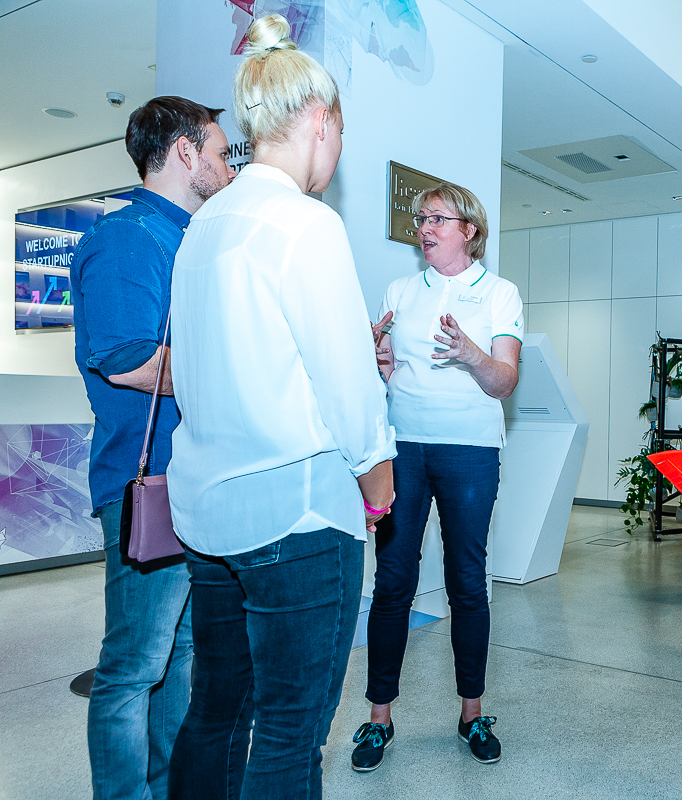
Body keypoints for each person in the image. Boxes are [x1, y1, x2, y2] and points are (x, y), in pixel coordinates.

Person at [165, 16, 395, 798]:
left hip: (209, 513)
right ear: (321, 121)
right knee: (292, 731)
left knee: (217, 711)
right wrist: (379, 473)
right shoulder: (305, 223)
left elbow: (207, 366)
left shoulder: (202, 228)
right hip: (294, 517)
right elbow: (345, 379)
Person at [71, 95, 232, 800]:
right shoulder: (128, 237)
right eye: (222, 152)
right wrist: (234, 374)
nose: (229, 165)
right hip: (149, 490)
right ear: (185, 153)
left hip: (194, 486)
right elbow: (123, 357)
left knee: (182, 655)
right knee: (135, 665)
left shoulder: (189, 238)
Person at [355, 180, 522, 770]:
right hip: (404, 448)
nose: (424, 228)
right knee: (393, 580)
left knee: (467, 582)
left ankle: (472, 713)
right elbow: (386, 373)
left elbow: (505, 381)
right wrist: (378, 364)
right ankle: (379, 718)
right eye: (420, 219)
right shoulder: (400, 289)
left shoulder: (499, 293)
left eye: (437, 219)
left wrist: (470, 352)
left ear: (468, 230)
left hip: (471, 449)